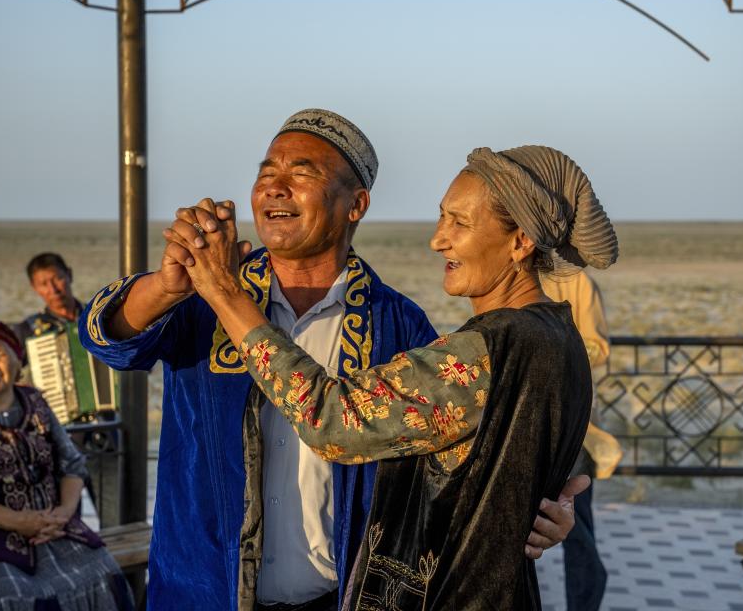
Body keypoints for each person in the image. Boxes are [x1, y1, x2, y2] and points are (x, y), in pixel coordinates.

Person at [79, 110, 583, 611]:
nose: (275, 187)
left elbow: (448, 454)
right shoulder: (206, 298)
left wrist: (538, 505)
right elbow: (106, 340)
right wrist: (166, 287)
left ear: (356, 204)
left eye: (301, 174)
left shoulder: (397, 323)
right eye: (266, 173)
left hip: (339, 595)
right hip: (202, 591)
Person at [0, 321, 133, 611]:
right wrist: (20, 522)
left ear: (18, 363)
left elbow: (72, 465)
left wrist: (64, 515)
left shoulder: (35, 400)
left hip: (55, 527)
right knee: (12, 598)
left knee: (105, 577)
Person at [541, 270, 619, 611]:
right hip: (526, 417)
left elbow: (598, 348)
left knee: (577, 525)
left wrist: (545, 343)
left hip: (573, 424)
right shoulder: (506, 271)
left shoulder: (576, 282)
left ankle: (585, 600)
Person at [15, 253, 83, 342]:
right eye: (43, 284)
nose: (53, 290)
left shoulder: (99, 314)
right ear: (34, 287)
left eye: (57, 279)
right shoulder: (27, 330)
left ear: (69, 275)